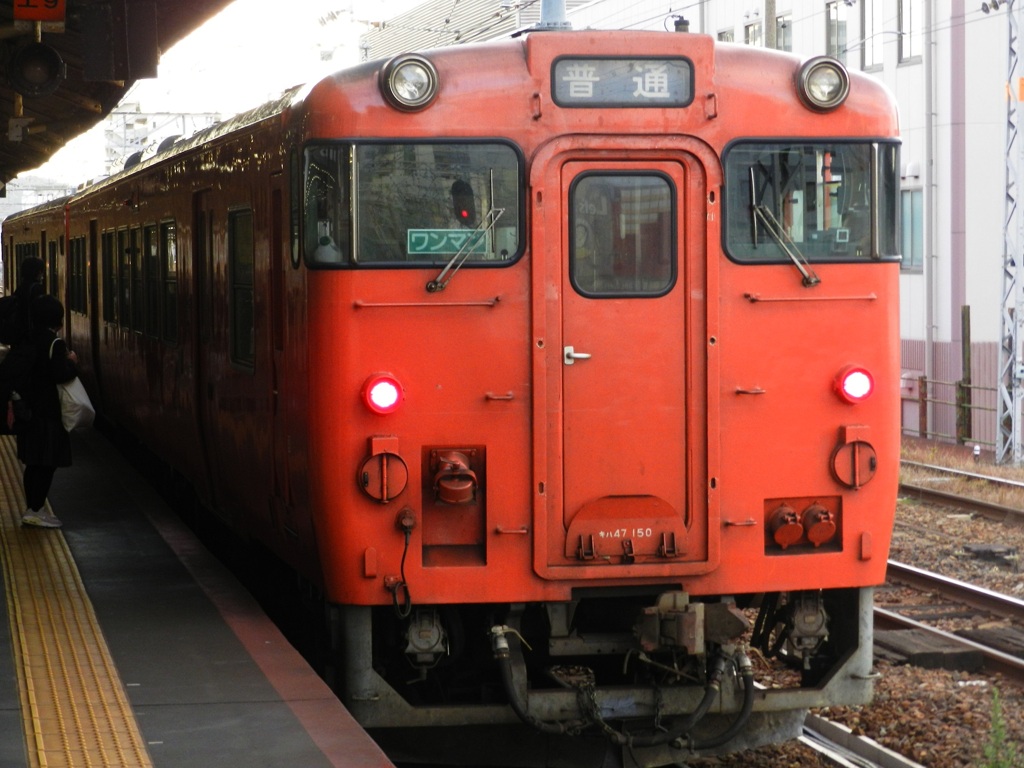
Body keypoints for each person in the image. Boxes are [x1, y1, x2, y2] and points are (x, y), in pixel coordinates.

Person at [17, 295, 78, 529]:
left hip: (29, 410)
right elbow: (60, 374)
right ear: (57, 319)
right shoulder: (55, 343)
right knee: (47, 462)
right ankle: (34, 509)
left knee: (33, 462)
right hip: (48, 412)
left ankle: (34, 508)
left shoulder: (27, 338)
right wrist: (72, 362)